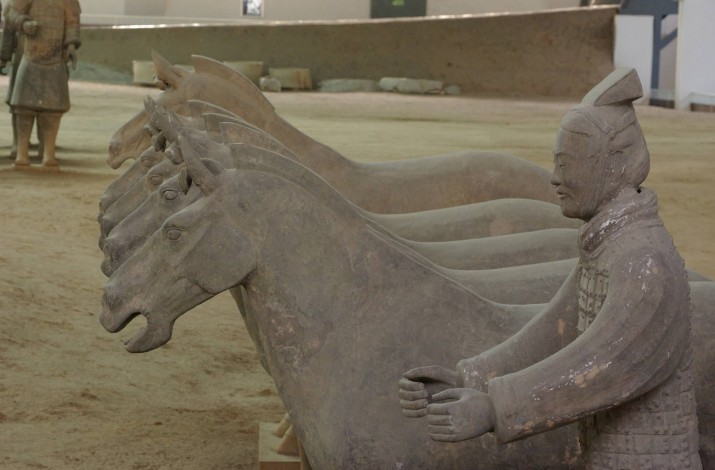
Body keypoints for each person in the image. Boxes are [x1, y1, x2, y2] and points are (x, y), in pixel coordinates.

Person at [398, 68, 702, 468]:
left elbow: (607, 364)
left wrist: (495, 408)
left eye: (568, 165)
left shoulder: (643, 260)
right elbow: (555, 330)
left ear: (613, 166)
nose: (555, 179)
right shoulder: (608, 247)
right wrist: (468, 378)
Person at [5, 0, 80, 169]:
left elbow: (72, 21)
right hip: (31, 56)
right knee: (23, 108)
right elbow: (11, 12)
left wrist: (71, 45)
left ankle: (48, 154)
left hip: (56, 59)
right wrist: (23, 23)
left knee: (53, 111)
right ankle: (21, 154)